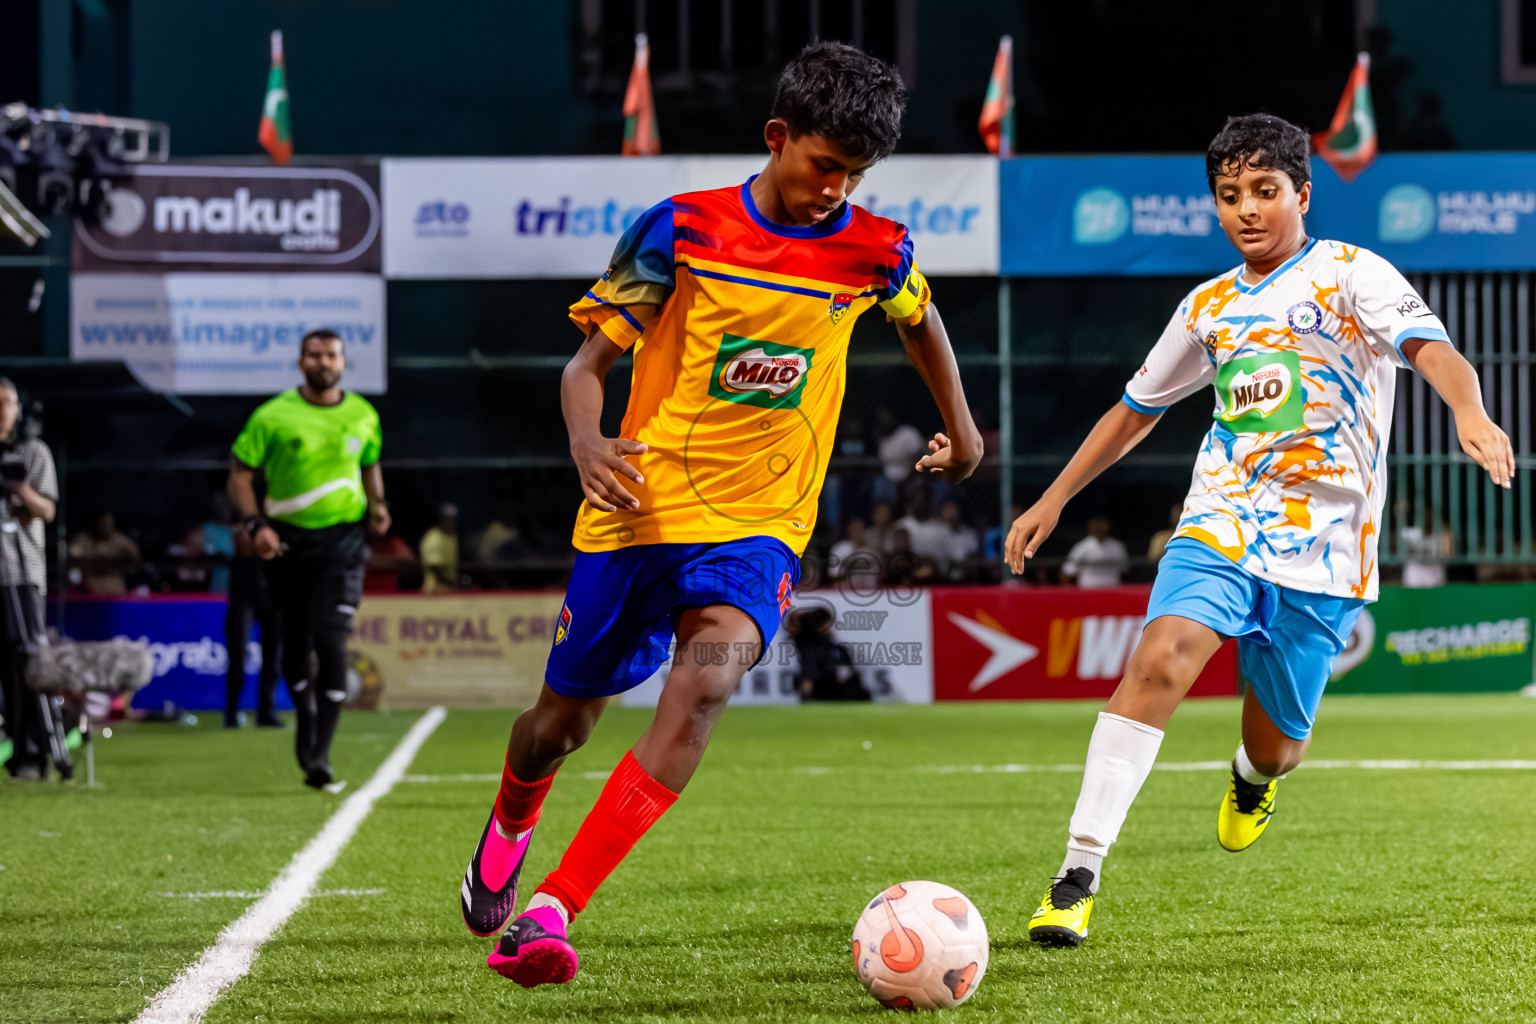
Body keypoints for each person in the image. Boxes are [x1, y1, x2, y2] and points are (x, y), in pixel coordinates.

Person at [459, 41, 982, 988]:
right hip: (641, 510)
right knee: (559, 725)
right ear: (778, 137)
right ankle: (511, 818)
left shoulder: (875, 247)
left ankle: (552, 910)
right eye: (825, 165)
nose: (836, 190)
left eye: (856, 174)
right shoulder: (681, 229)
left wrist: (965, 426)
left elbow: (921, 320)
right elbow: (585, 368)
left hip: (761, 522)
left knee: (706, 683)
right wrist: (586, 442)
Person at [1005, 114, 1514, 948]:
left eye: (1265, 191)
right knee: (1161, 657)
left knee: (1277, 748)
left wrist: (1470, 410)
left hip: (1327, 549)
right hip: (1224, 518)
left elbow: (1433, 350)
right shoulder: (1206, 306)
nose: (1246, 209)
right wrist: (1054, 497)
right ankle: (1076, 875)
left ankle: (1252, 778)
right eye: (1229, 195)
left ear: (1302, 194)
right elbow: (1135, 411)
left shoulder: (1352, 273)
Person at [228, 329, 389, 789]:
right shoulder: (273, 415)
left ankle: (320, 754)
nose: (323, 362)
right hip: (288, 544)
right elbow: (239, 475)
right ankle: (305, 717)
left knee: (331, 638)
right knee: (294, 643)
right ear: (301, 362)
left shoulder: (363, 414)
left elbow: (370, 464)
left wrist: (379, 506)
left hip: (343, 544)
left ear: (343, 362)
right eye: (314, 355)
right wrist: (256, 526)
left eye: (331, 355)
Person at [0, 378, 58, 780]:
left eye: (8, 401)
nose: (3, 409)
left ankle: (30, 754)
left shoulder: (32, 451)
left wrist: (18, 487)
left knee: (26, 665)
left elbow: (47, 510)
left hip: (21, 574)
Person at [224, 516, 282, 729]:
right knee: (237, 652)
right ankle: (231, 711)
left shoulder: (278, 518)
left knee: (273, 656)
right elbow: (243, 543)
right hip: (243, 591)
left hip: (272, 591)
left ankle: (267, 711)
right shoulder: (245, 520)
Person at [67, 512, 141, 595]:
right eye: (102, 522)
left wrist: (112, 565)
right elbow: (73, 558)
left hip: (115, 587)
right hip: (89, 588)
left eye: (108, 522)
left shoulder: (120, 540)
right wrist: (96, 563)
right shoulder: (83, 539)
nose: (105, 526)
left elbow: (135, 561)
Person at [1060, 516, 1129, 588]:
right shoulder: (1082, 546)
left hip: (1112, 584)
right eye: (1096, 526)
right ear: (1090, 528)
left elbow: (1124, 569)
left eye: (1102, 526)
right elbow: (1068, 569)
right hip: (1089, 584)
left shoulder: (1117, 546)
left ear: (1108, 527)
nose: (1099, 529)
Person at [936, 498, 979, 580]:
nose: (952, 512)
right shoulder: (937, 533)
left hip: (965, 571)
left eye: (954, 509)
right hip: (944, 573)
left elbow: (973, 553)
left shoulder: (969, 532)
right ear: (942, 513)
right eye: (948, 509)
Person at [420, 504, 460, 593]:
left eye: (454, 519)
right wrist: (454, 582)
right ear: (441, 520)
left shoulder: (453, 537)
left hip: (450, 588)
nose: (452, 523)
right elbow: (434, 568)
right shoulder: (432, 538)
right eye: (448, 520)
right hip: (434, 588)